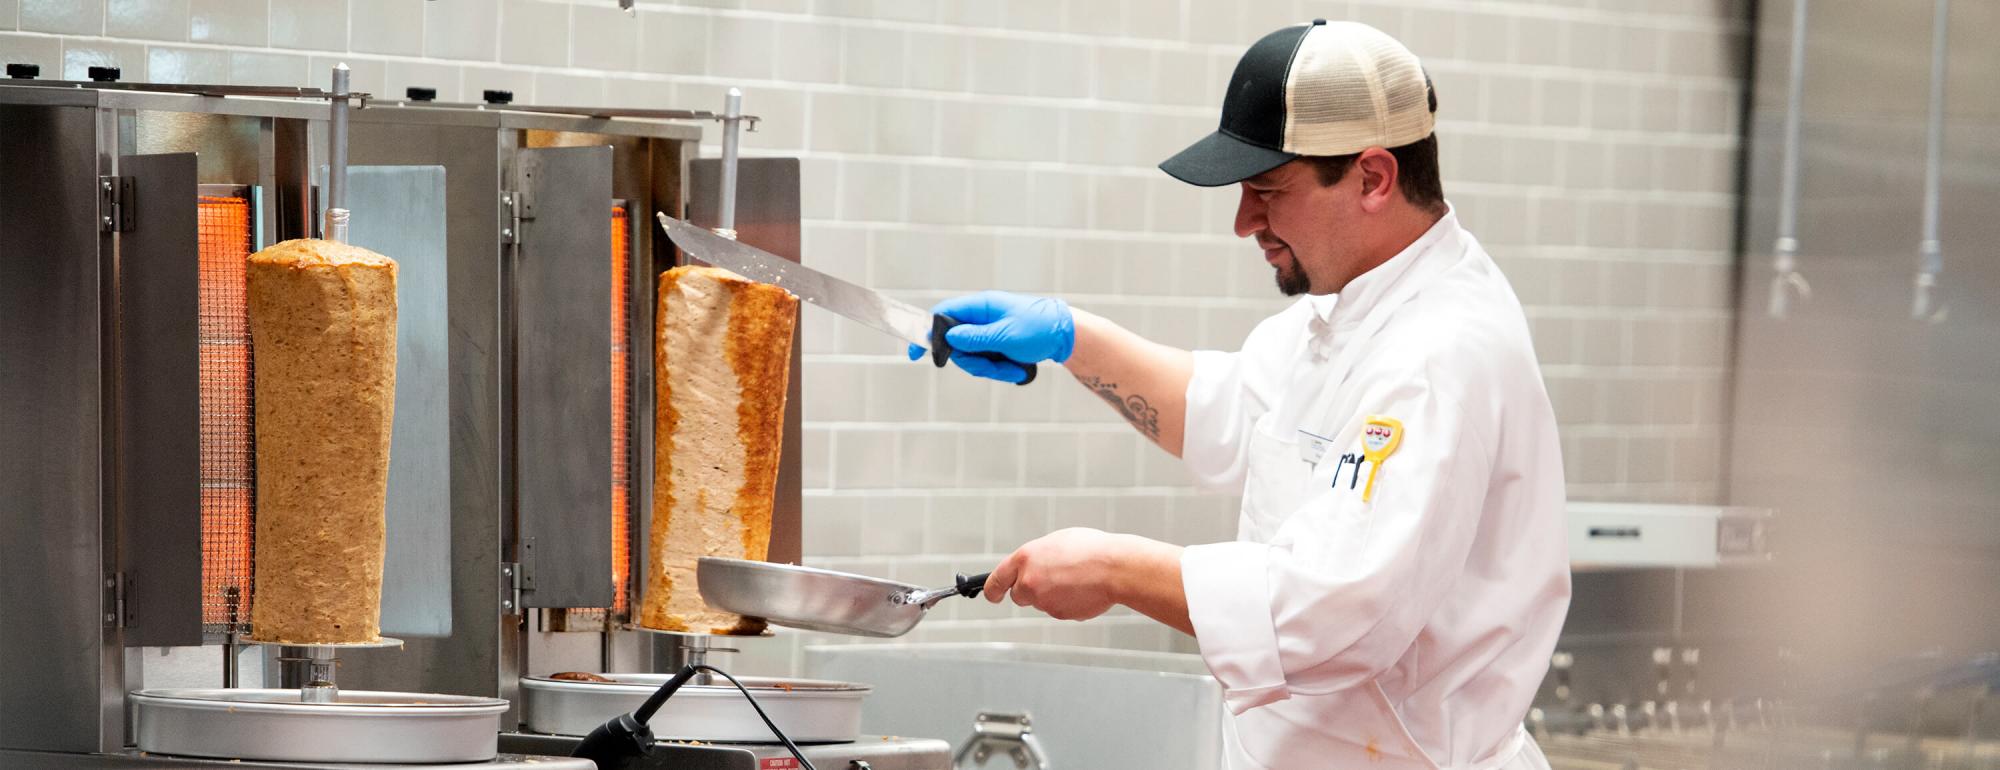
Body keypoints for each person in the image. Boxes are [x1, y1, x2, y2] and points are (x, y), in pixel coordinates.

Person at [912, 19, 1572, 770]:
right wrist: (1069, 339)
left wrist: (1114, 569)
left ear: (1373, 178)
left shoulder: (1439, 353)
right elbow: (1223, 412)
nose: (1243, 222)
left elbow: (1330, 614)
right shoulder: (1352, 308)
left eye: (1267, 190)